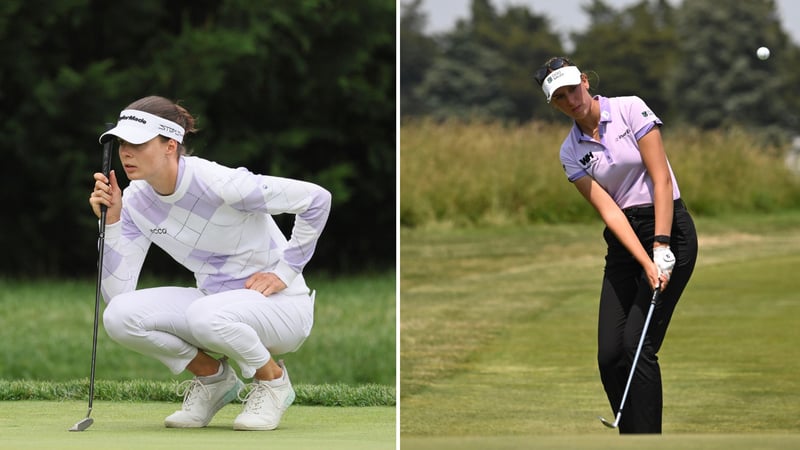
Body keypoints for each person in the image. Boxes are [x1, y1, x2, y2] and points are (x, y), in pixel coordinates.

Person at [88, 95, 332, 431]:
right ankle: (214, 379)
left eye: (138, 143)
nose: (126, 153)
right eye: (121, 143)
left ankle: (274, 382)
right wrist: (113, 221)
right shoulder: (135, 202)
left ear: (170, 145)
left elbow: (316, 199)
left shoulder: (221, 183)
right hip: (215, 305)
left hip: (281, 308)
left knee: (205, 316)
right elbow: (118, 294)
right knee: (118, 316)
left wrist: (286, 271)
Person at [533, 57, 698, 433]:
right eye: (559, 97)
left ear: (585, 82)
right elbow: (610, 212)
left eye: (572, 89)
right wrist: (644, 260)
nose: (570, 100)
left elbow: (661, 181)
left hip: (669, 227)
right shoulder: (570, 153)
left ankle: (647, 439)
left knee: (637, 344)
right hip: (626, 241)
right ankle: (634, 436)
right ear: (554, 104)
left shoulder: (630, 108)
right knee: (610, 354)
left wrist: (660, 245)